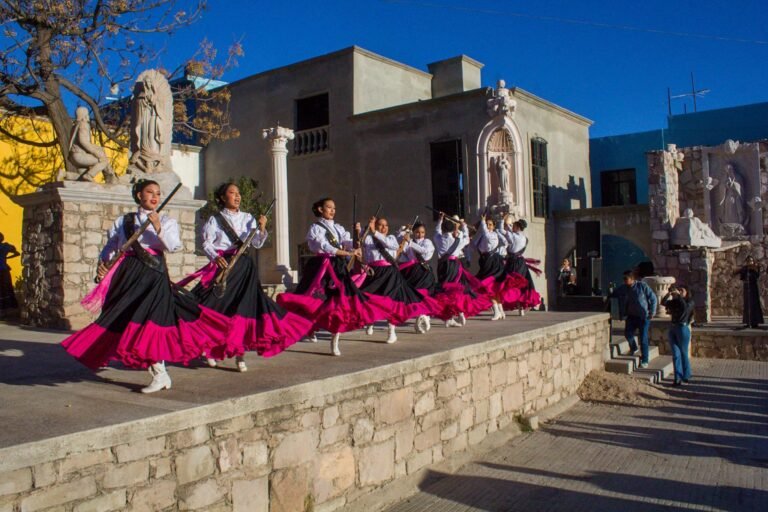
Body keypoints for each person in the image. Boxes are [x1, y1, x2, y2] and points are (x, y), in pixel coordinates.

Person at [61, 180, 230, 393]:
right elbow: (111, 247)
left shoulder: (166, 221)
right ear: (139, 194)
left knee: (147, 324)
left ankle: (160, 374)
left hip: (153, 275)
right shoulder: (124, 221)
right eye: (149, 192)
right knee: (122, 319)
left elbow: (173, 245)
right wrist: (103, 266)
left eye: (158, 193)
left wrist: (158, 226)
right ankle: (149, 369)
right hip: (127, 275)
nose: (154, 196)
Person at [180, 182, 312, 371]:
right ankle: (210, 348)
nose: (237, 196)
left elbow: (257, 243)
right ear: (223, 198)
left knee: (243, 310)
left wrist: (262, 228)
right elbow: (207, 243)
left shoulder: (248, 218)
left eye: (238, 193)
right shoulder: (214, 219)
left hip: (244, 267)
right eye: (232, 193)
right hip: (224, 266)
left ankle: (240, 354)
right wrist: (215, 257)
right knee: (218, 308)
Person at [276, 197, 384, 356]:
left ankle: (335, 337)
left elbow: (351, 244)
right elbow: (325, 246)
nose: (333, 210)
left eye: (334, 208)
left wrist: (356, 233)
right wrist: (348, 253)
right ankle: (309, 327)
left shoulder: (339, 228)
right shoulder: (315, 228)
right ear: (320, 209)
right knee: (314, 301)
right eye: (329, 207)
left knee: (340, 303)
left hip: (338, 267)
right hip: (320, 268)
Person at [359, 216, 435, 343]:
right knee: (370, 298)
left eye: (386, 225)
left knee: (392, 302)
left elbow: (392, 246)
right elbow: (362, 247)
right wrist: (360, 230)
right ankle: (370, 321)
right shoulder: (369, 239)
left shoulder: (391, 238)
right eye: (380, 225)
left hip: (390, 273)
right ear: (374, 226)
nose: (384, 228)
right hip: (374, 273)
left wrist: (376, 233)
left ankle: (391, 331)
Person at [433, 213, 491, 327]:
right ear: (451, 229)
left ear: (443, 228)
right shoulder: (458, 241)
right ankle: (458, 312)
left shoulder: (437, 238)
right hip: (454, 265)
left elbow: (436, 231)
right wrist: (463, 226)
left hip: (442, 266)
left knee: (444, 289)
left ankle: (450, 316)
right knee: (454, 289)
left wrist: (440, 219)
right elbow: (466, 239)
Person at [473, 215, 525, 320]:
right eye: (487, 224)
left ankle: (497, 312)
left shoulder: (491, 235)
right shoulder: (486, 234)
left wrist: (483, 222)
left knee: (490, 287)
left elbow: (504, 241)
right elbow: (475, 243)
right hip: (486, 261)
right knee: (494, 288)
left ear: (493, 226)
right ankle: (501, 312)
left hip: (492, 262)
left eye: (490, 224)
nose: (488, 226)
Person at [499, 216, 541, 314]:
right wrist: (508, 224)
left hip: (513, 262)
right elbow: (510, 231)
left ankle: (510, 304)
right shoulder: (524, 238)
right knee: (522, 284)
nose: (512, 226)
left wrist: (501, 220)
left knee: (510, 283)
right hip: (521, 263)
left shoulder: (513, 236)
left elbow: (501, 230)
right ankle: (521, 307)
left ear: (518, 227)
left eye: (514, 225)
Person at [617, 270, 657, 368]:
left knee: (643, 338)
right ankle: (634, 347)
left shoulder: (642, 286)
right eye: (623, 279)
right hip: (631, 316)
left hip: (643, 316)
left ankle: (645, 359)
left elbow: (653, 298)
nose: (624, 281)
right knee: (628, 333)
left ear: (632, 279)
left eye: (626, 279)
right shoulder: (624, 288)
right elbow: (616, 294)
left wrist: (652, 312)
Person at [661, 285, 694, 386]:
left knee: (683, 353)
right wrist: (669, 294)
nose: (680, 292)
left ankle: (686, 375)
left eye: (682, 290)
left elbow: (684, 309)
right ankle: (677, 378)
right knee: (676, 354)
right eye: (679, 290)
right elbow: (663, 303)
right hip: (673, 328)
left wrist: (679, 296)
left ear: (687, 292)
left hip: (682, 328)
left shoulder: (689, 302)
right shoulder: (676, 301)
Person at [734, 256, 763, 328]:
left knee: (754, 305)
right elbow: (740, 275)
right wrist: (743, 270)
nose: (750, 262)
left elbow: (756, 276)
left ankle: (755, 322)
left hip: (753, 288)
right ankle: (748, 322)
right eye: (749, 261)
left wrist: (756, 268)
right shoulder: (745, 269)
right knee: (747, 305)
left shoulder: (755, 268)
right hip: (747, 288)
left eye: (751, 261)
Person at [0, 232, 20, 316]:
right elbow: (17, 253)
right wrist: (7, 257)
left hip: (3, 269)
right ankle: (8, 309)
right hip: (4, 270)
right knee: (6, 288)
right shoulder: (5, 246)